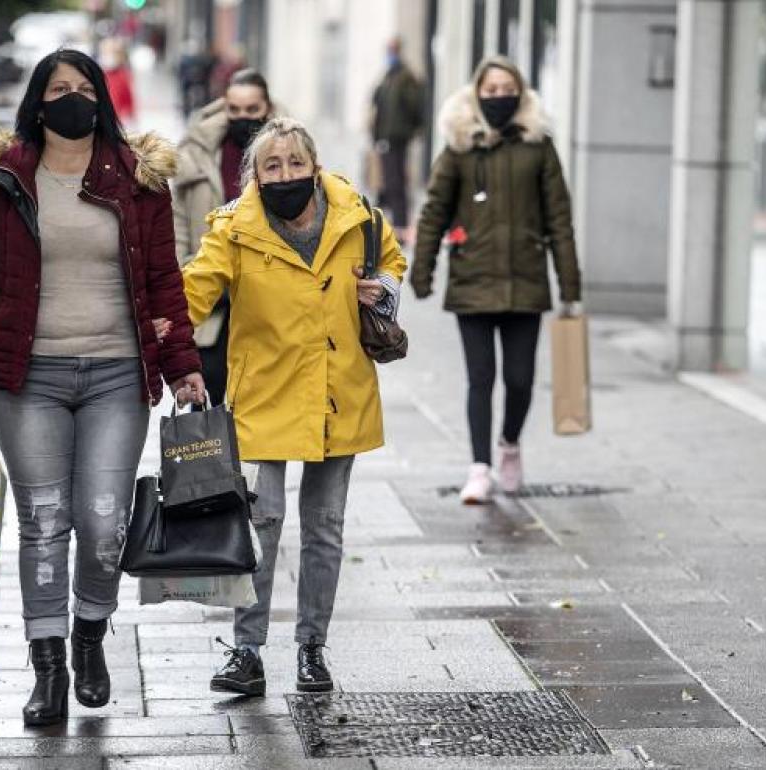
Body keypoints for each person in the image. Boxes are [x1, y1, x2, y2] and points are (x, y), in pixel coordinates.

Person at [0, 49, 205, 727]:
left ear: (102, 100)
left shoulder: (137, 179)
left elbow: (164, 283)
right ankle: (47, 665)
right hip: (30, 378)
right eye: (59, 89)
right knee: (46, 522)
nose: (73, 99)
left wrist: (184, 367)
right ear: (37, 101)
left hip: (117, 372)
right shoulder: (3, 181)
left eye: (85, 88)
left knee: (105, 522)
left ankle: (89, 636)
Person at [179, 118, 406, 696]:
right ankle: (247, 651)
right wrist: (154, 321)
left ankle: (311, 649)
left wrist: (381, 288)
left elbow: (393, 264)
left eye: (295, 164)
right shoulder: (234, 228)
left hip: (339, 392)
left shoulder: (357, 215)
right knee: (262, 523)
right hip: (264, 394)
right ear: (255, 174)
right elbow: (195, 290)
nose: (285, 175)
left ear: (314, 166)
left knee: (325, 528)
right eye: (271, 166)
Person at [410, 55, 582, 505]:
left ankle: (509, 443)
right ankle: (479, 467)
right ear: (476, 94)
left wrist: (570, 286)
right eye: (490, 90)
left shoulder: (538, 146)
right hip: (473, 281)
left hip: (526, 281)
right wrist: (422, 271)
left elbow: (559, 219)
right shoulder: (460, 148)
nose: (499, 97)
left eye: (508, 89)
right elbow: (433, 213)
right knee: (480, 378)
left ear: (521, 93)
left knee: (521, 380)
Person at [172, 68, 277, 406]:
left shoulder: (289, 158)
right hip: (211, 307)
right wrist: (192, 274)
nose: (242, 118)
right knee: (209, 418)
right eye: (234, 110)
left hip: (268, 306)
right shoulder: (198, 154)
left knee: (264, 416)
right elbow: (178, 227)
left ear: (268, 109)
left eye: (252, 110)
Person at [370, 37, 424, 241]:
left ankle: (400, 228)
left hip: (397, 139)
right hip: (384, 138)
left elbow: (415, 107)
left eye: (392, 50)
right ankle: (386, 224)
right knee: (386, 183)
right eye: (388, 49)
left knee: (396, 183)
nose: (390, 53)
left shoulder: (406, 77)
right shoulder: (388, 76)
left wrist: (409, 131)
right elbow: (378, 102)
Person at [99, 37, 135, 124]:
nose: (108, 56)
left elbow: (128, 100)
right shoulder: (97, 74)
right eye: (106, 52)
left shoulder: (123, 75)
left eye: (112, 53)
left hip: (118, 121)